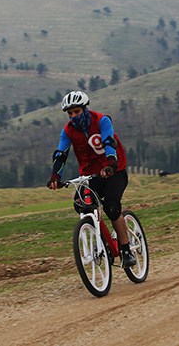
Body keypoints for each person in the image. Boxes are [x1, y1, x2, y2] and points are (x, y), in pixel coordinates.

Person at [47, 90, 137, 267]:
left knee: (111, 207)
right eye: (70, 113)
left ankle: (126, 249)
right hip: (89, 174)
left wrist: (110, 163)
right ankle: (99, 237)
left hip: (114, 169)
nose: (73, 116)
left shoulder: (102, 120)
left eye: (77, 112)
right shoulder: (68, 131)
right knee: (81, 204)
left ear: (85, 109)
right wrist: (55, 175)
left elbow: (109, 141)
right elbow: (61, 153)